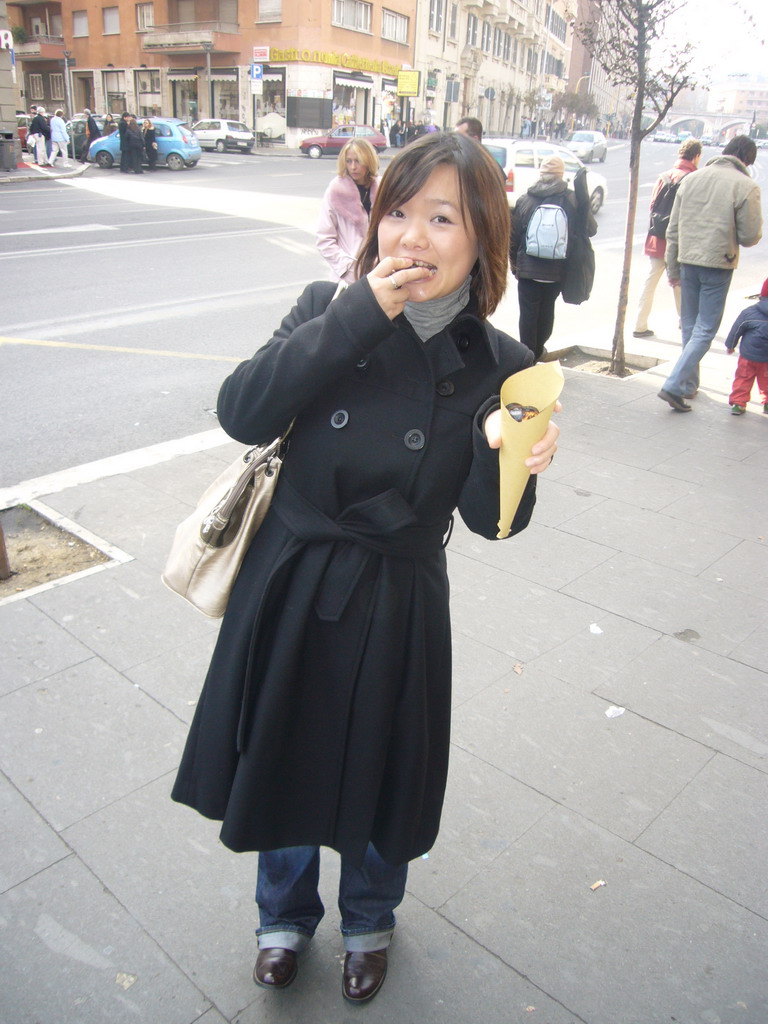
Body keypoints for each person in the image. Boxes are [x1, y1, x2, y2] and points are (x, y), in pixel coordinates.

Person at [171, 131, 559, 1006]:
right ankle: (283, 916)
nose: (412, 237)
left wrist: (509, 456)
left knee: (388, 769)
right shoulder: (326, 305)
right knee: (285, 751)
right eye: (398, 212)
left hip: (400, 595)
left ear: (482, 236)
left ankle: (371, 919)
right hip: (296, 579)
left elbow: (493, 525)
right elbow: (242, 409)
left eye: (441, 217)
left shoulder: (502, 365)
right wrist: (355, 318)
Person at [658, 135, 762, 412]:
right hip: (719, 262)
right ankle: (673, 384)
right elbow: (751, 235)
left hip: (687, 260)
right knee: (705, 329)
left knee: (690, 326)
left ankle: (687, 386)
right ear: (747, 160)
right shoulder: (746, 186)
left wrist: (673, 266)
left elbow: (673, 229)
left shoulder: (691, 179)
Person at [509, 153, 597, 360]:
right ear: (561, 175)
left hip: (528, 271)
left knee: (528, 314)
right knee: (547, 310)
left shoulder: (526, 199)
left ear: (541, 174)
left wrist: (516, 266)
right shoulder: (573, 199)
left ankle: (528, 355)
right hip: (557, 271)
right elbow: (590, 230)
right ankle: (539, 350)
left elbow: (512, 237)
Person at [633, 138, 702, 338]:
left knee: (649, 282)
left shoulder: (664, 176)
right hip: (679, 242)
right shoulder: (693, 178)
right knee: (680, 283)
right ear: (696, 156)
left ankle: (639, 324)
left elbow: (652, 206)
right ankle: (685, 322)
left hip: (657, 238)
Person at [316, 138, 380, 283]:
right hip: (347, 277)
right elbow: (324, 238)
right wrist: (347, 267)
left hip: (377, 274)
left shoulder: (381, 188)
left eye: (358, 161)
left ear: (368, 161)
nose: (353, 167)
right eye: (349, 161)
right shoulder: (336, 190)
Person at [724, 277, 768, 415]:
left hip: (748, 356)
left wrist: (730, 345)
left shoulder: (749, 312)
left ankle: (738, 403)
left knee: (743, 378)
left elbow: (736, 330)